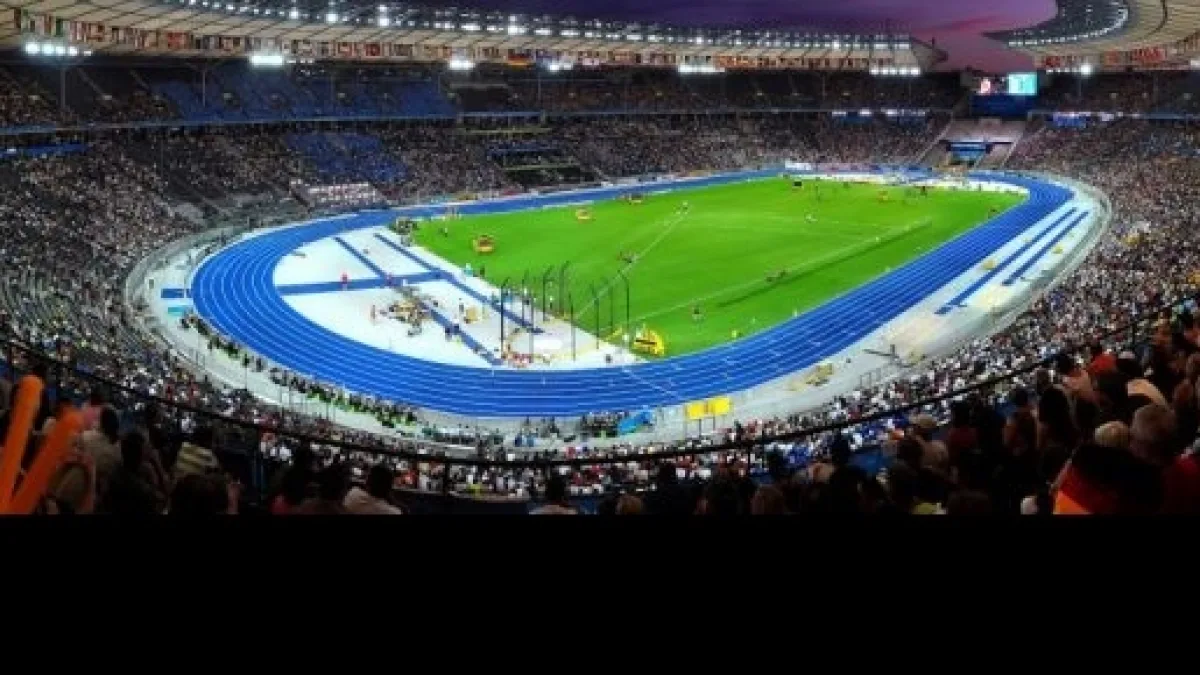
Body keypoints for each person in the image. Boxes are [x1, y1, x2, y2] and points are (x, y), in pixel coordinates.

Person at [99, 432, 162, 515]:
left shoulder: (115, 470)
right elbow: (162, 500)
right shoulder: (142, 489)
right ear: (141, 454)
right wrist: (157, 463)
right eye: (146, 448)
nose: (150, 450)